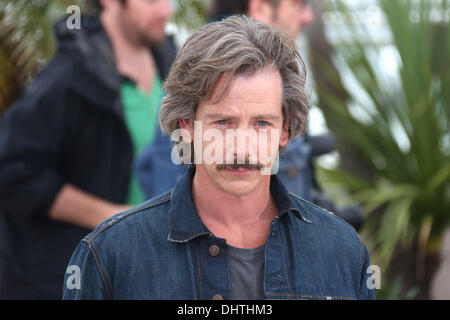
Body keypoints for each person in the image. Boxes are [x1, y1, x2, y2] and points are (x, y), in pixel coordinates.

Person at [63, 16, 375, 300]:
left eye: (261, 123)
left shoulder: (342, 250)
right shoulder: (111, 256)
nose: (242, 147)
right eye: (223, 122)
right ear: (187, 125)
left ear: (285, 131)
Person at [0, 0, 174, 299]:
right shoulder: (67, 77)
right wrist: (115, 218)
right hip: (76, 277)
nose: (165, 11)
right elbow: (13, 170)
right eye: (151, 0)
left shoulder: (175, 69)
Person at [207, 0, 365, 230]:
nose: (307, 17)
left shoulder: (274, 69)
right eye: (297, 5)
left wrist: (329, 219)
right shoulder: (207, 75)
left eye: (262, 122)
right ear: (261, 8)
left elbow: (288, 185)